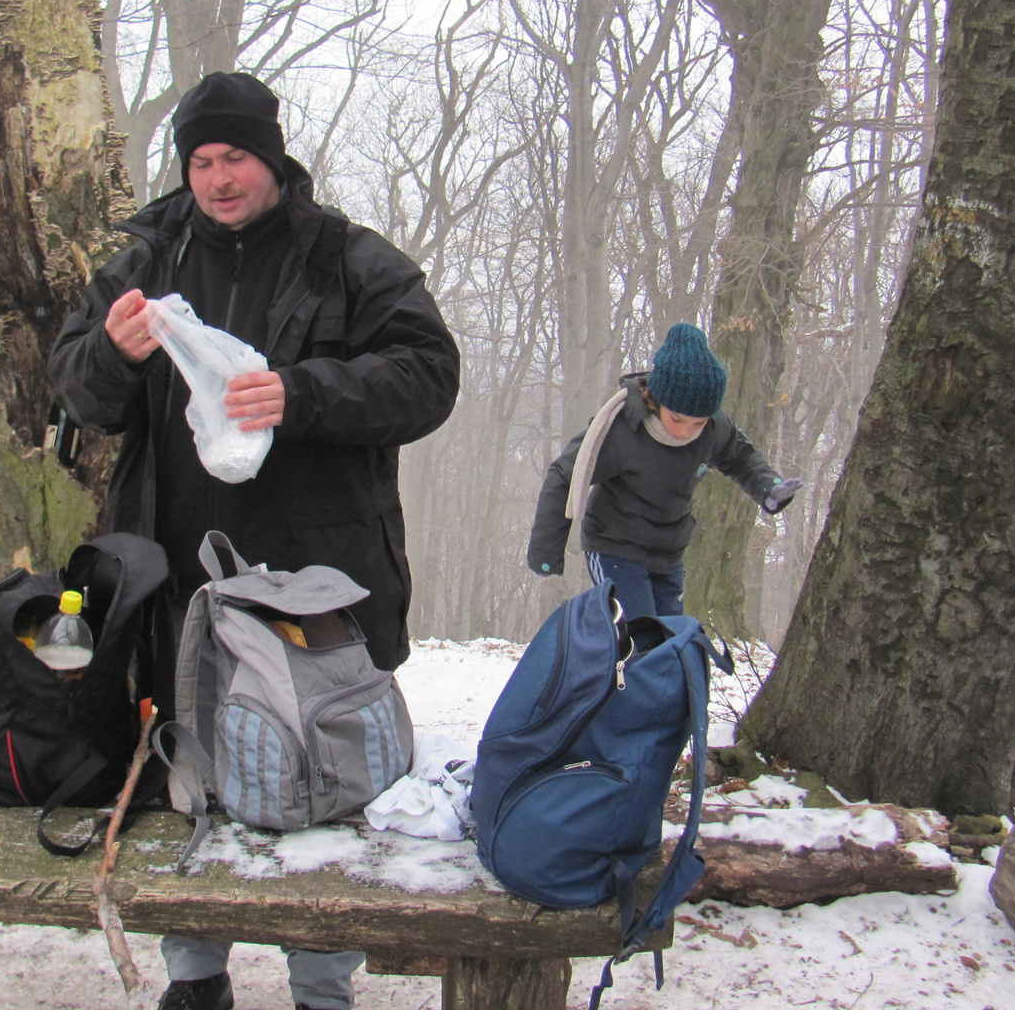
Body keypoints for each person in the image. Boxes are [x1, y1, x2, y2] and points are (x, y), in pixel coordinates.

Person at [47, 71, 460, 1010]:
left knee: (325, 776)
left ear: (271, 160)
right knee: (189, 773)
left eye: (235, 157)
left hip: (316, 580)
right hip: (176, 578)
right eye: (200, 159)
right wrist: (112, 353)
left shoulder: (347, 259)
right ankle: (195, 977)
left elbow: (430, 374)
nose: (218, 177)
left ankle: (323, 983)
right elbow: (75, 387)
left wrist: (304, 393)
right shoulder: (146, 264)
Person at [527, 322, 802, 618]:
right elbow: (565, 476)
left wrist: (769, 488)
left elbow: (741, 457)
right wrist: (546, 553)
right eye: (679, 419)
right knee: (640, 638)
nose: (687, 431)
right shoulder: (620, 429)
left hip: (669, 555)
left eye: (698, 422)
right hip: (614, 548)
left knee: (670, 641)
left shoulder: (714, 429)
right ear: (658, 401)